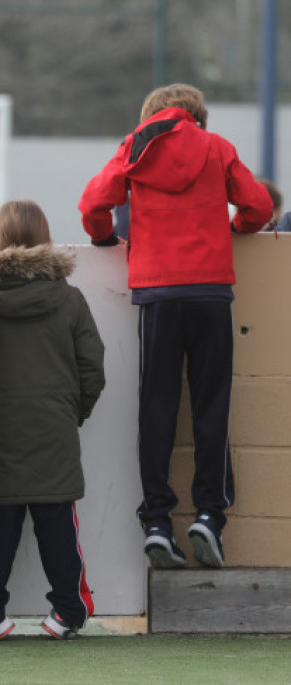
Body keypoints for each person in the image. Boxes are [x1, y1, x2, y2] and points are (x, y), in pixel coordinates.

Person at [79, 83, 272, 569]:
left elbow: (91, 208)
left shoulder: (134, 147)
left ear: (152, 114)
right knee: (213, 406)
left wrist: (107, 239)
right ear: (196, 116)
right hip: (209, 291)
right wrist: (234, 232)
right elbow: (259, 207)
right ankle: (209, 515)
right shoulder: (216, 147)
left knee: (157, 407)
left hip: (156, 294)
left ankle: (157, 522)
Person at [0, 200, 105, 641]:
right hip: (54, 432)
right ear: (46, 239)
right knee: (58, 529)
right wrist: (71, 413)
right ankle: (68, 612)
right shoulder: (70, 299)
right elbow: (92, 370)